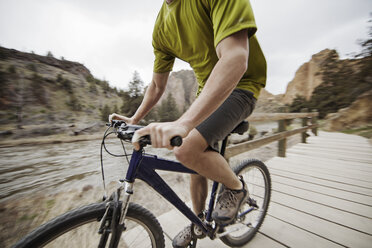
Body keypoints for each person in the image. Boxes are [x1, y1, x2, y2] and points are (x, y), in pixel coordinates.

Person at [110, 0, 266, 247]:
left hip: (242, 85)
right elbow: (157, 85)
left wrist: (184, 123)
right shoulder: (162, 27)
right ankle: (199, 220)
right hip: (207, 91)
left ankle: (236, 188)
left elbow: (236, 57)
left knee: (186, 148)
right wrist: (134, 119)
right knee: (195, 158)